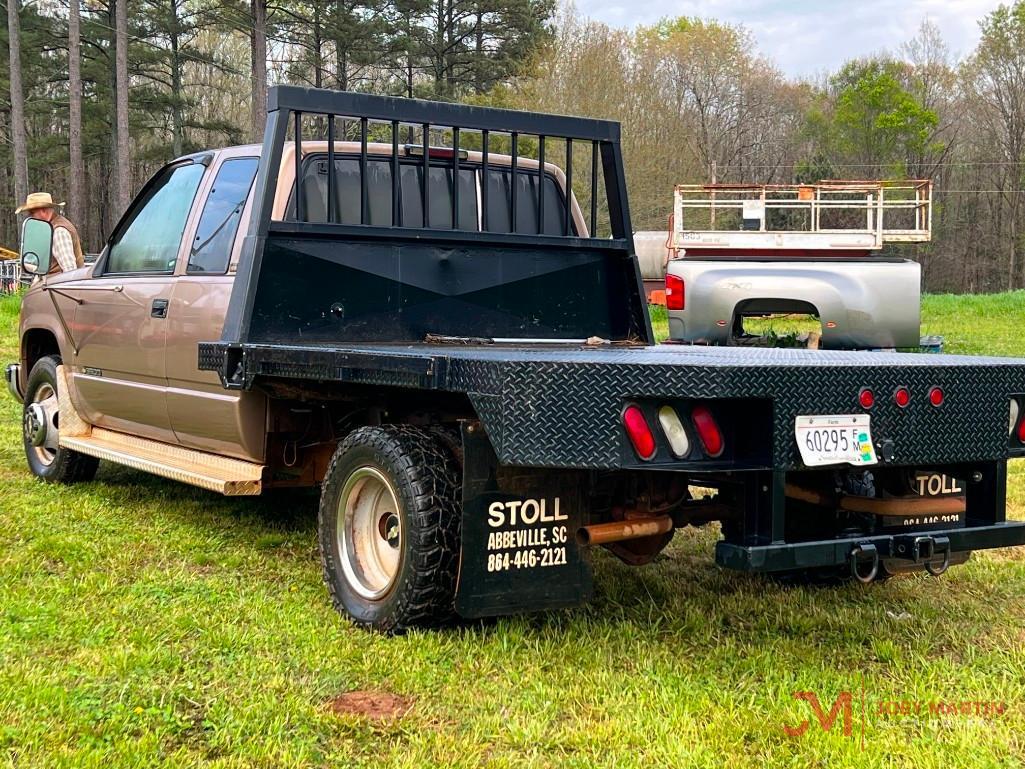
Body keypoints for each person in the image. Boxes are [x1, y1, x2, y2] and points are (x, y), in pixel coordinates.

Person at [15, 192, 84, 274]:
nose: (30, 216)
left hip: (56, 285)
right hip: (49, 284)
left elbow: (70, 271)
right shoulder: (49, 229)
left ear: (43, 211)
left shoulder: (59, 231)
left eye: (32, 213)